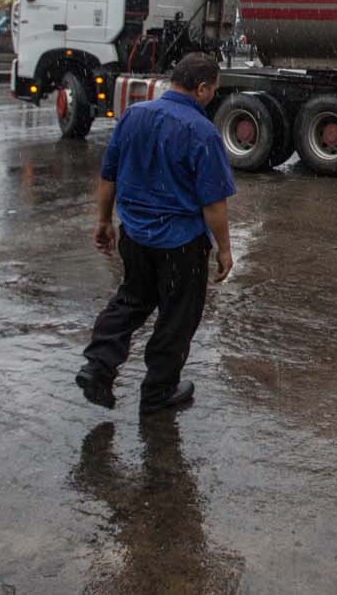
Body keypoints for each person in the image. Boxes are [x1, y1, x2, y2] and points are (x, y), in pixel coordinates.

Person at [76, 52, 236, 415]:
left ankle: (98, 366)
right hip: (181, 243)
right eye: (213, 90)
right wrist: (224, 249)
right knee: (178, 316)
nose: (212, 96)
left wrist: (103, 221)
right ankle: (159, 391)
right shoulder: (201, 131)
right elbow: (213, 203)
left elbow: (108, 174)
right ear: (201, 88)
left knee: (131, 300)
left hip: (134, 234)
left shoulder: (134, 115)